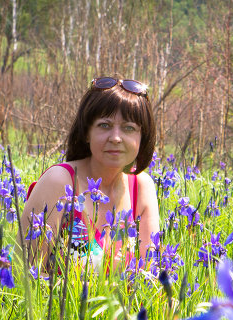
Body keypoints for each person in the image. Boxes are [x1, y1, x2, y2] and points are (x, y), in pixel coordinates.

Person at [20, 77, 161, 274]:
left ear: (142, 137)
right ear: (87, 132)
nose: (116, 138)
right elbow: (24, 274)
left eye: (129, 128)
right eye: (105, 125)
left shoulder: (142, 187)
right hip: (56, 305)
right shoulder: (59, 181)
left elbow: (151, 275)